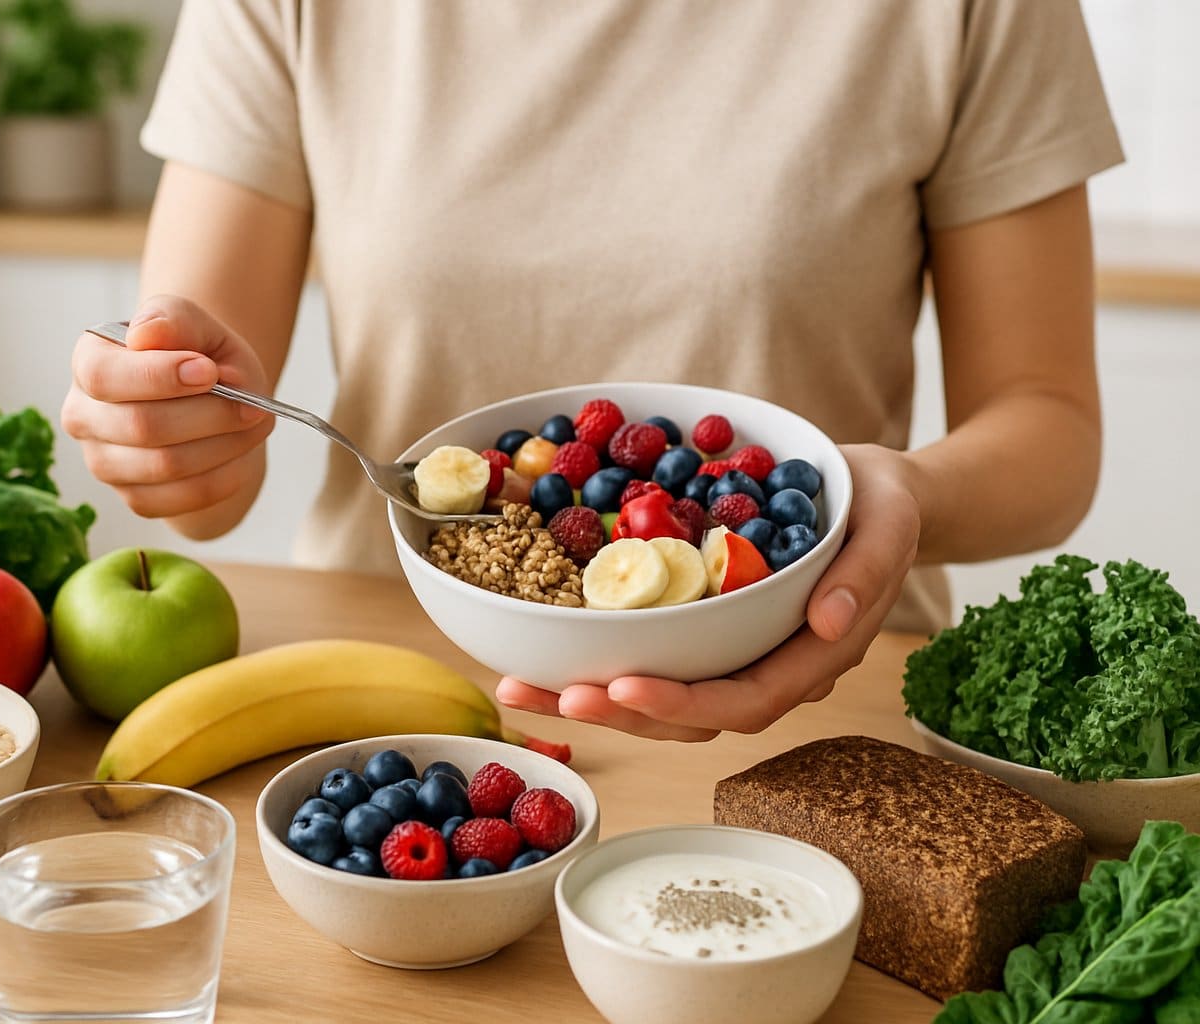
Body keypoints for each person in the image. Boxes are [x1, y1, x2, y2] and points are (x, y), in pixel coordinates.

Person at [61, 1, 1122, 743]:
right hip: (394, 694)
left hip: (820, 689)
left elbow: (1050, 426)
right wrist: (171, 431)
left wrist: (911, 493)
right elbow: (204, 474)